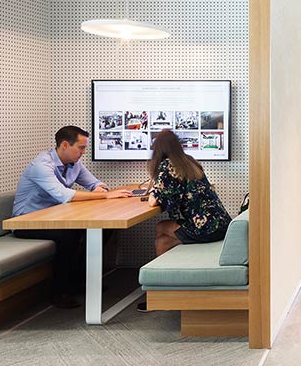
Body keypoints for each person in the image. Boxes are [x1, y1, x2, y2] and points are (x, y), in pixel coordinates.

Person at [12, 126, 132, 309]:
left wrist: (101, 189)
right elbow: (65, 195)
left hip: (54, 218)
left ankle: (80, 281)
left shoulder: (74, 163)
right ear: (65, 145)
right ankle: (60, 291)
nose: (83, 152)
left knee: (104, 228)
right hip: (26, 222)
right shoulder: (42, 165)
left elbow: (93, 183)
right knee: (68, 235)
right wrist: (106, 196)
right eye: (81, 148)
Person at [138, 129, 231, 312]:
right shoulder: (189, 161)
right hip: (220, 224)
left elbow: (154, 201)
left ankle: (163, 292)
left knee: (161, 227)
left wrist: (153, 187)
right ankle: (165, 293)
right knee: (162, 241)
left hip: (204, 227)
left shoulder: (168, 166)